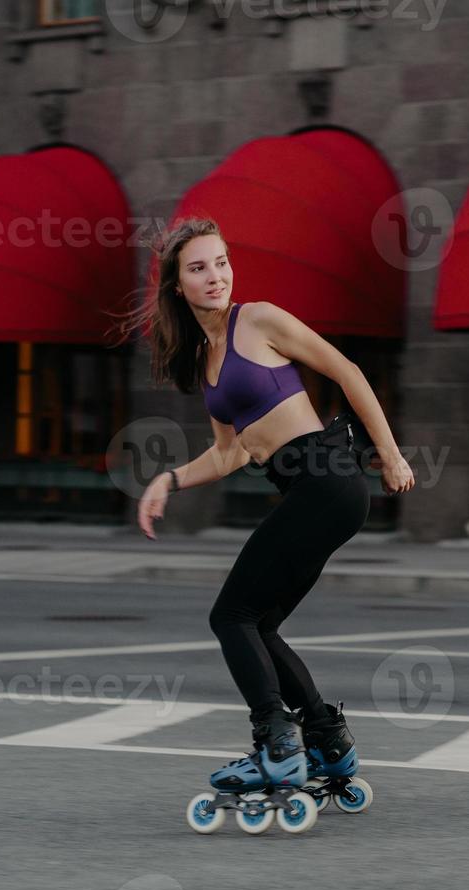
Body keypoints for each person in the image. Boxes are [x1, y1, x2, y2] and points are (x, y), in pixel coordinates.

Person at [126, 217, 415, 801]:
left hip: (325, 479)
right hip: (318, 492)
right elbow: (231, 453)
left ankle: (275, 745)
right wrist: (169, 480)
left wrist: (390, 454)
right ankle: (327, 741)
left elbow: (347, 371)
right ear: (178, 286)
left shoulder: (257, 319)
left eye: (222, 262)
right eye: (200, 268)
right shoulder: (208, 361)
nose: (216, 277)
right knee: (258, 624)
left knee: (229, 616)